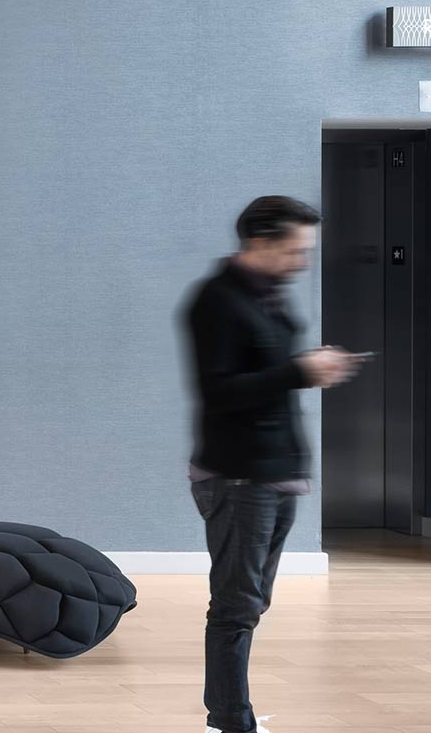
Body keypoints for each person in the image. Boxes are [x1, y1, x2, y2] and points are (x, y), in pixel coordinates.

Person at [180, 195, 360, 733]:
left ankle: (229, 712)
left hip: (274, 473)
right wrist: (300, 370)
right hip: (238, 475)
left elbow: (269, 374)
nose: (302, 261)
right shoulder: (215, 301)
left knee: (251, 602)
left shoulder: (270, 297)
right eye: (294, 249)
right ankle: (232, 722)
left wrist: (308, 367)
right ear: (260, 242)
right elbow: (219, 391)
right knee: (236, 606)